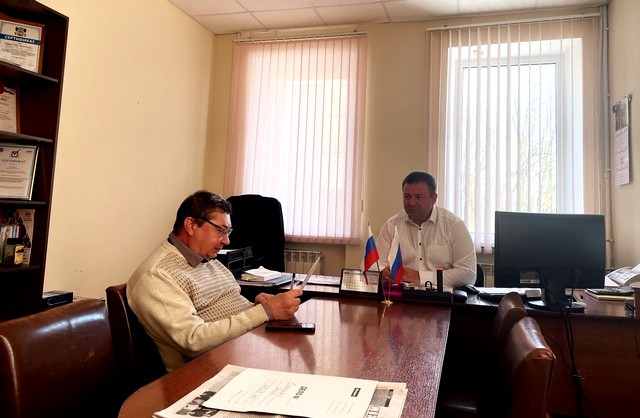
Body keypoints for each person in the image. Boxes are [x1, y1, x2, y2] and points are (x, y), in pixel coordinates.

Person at [127, 190, 302, 372]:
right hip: (207, 372)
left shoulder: (207, 259)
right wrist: (264, 312)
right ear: (191, 225)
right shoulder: (157, 275)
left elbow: (228, 306)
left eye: (228, 231)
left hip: (243, 351)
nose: (227, 241)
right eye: (221, 231)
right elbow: (193, 340)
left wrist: (256, 306)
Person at [377, 171, 476, 290]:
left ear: (433, 198)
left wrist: (420, 277)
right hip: (401, 296)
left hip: (441, 297)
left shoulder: (454, 225)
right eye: (407, 197)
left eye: (418, 197)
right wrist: (382, 272)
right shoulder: (392, 225)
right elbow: (376, 265)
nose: (411, 203)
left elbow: (468, 274)